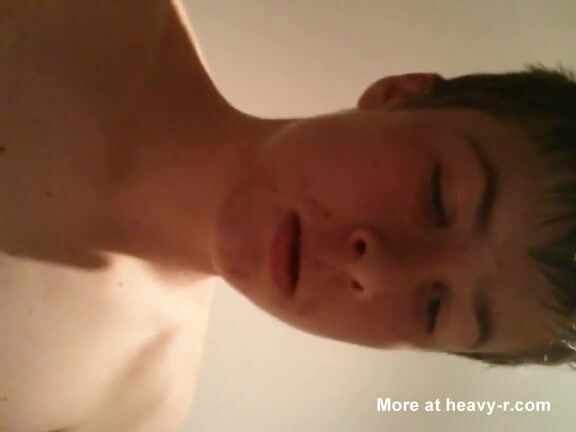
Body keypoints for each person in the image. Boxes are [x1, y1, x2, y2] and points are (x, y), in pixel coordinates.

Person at [1, 0, 575, 431]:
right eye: (438, 197)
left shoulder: (124, 410)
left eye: (434, 308)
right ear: (400, 94)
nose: (375, 271)